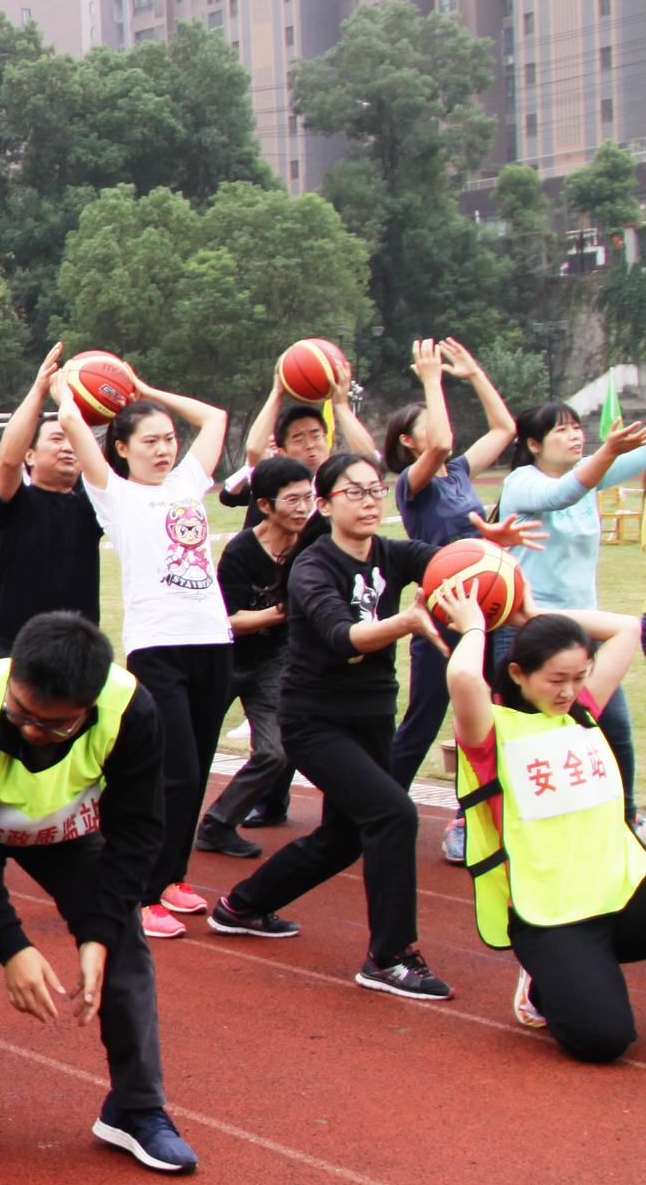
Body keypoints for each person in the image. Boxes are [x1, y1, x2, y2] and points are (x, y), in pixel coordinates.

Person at [208, 451, 536, 996]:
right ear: (326, 503)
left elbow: (454, 564)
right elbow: (343, 637)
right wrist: (406, 621)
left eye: (375, 490)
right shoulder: (313, 567)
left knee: (342, 839)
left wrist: (491, 551)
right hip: (315, 721)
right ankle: (389, 956)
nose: (368, 501)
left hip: (372, 716)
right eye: (354, 491)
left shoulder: (391, 552)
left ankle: (242, 906)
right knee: (393, 814)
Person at [0, 612, 197, 1173]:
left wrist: (98, 934)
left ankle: (135, 1108)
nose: (31, 731)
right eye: (20, 714)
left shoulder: (130, 709)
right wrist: (14, 948)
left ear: (88, 708)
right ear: (11, 678)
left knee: (124, 941)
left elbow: (138, 831)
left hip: (62, 828)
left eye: (54, 726)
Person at [52, 371, 232, 940]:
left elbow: (215, 418)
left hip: (213, 641)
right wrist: (65, 388)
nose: (163, 449)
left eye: (168, 439)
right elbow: (72, 420)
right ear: (123, 448)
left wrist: (145, 387)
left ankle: (174, 877)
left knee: (198, 771)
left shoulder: (187, 484)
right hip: (159, 648)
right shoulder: (115, 494)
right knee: (173, 773)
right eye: (149, 440)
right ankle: (143, 892)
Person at [448, 603, 646, 1061]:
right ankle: (545, 982)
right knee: (603, 1041)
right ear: (518, 673)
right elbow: (463, 677)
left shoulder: (582, 712)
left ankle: (576, 972)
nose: (569, 691)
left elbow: (627, 630)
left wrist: (531, 615)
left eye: (579, 677)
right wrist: (476, 624)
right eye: (556, 680)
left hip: (623, 890)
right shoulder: (489, 731)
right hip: (551, 913)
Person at [383, 340, 518, 855]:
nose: (439, 426)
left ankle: (470, 819)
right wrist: (431, 379)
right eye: (426, 420)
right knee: (423, 719)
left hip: (488, 613)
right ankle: (378, 807)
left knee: (489, 713)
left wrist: (474, 373)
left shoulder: (459, 471)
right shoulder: (412, 484)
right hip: (442, 614)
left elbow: (504, 430)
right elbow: (439, 443)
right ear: (407, 441)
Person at [497, 402, 646, 819]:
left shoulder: (590, 475)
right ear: (533, 444)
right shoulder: (521, 483)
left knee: (613, 730)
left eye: (577, 427)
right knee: (526, 739)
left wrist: (612, 453)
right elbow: (562, 493)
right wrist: (608, 451)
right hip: (529, 630)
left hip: (585, 631)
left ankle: (627, 818)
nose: (576, 435)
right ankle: (478, 823)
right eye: (561, 430)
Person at [193, 456, 315, 860]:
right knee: (190, 750)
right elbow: (228, 620)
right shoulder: (242, 550)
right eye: (292, 500)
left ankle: (218, 824)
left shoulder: (313, 542)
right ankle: (155, 823)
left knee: (277, 751)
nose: (303, 508)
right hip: (222, 658)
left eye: (308, 498)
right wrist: (285, 611)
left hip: (273, 661)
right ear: (264, 505)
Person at [0, 346, 102, 659]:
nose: (69, 447)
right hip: (14, 650)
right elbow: (7, 462)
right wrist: (39, 389)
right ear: (30, 455)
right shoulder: (14, 502)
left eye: (72, 440)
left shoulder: (92, 507)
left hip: (79, 653)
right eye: (56, 439)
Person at [216, 368, 378, 511]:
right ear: (281, 451)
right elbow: (253, 451)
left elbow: (370, 457)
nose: (310, 445)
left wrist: (341, 405)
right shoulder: (274, 482)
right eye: (298, 439)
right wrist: (277, 392)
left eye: (316, 436)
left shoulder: (340, 479)